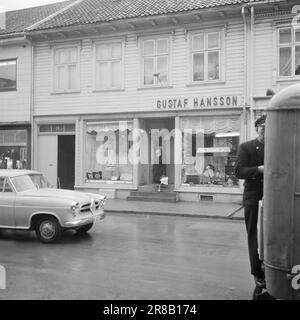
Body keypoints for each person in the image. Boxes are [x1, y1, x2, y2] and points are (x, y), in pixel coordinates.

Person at [235, 114, 274, 300]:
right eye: (263, 127)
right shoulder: (246, 147)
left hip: (274, 199)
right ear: (257, 128)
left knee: (273, 237)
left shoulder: (277, 146)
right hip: (253, 198)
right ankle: (258, 277)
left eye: (269, 127)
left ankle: (273, 274)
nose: (266, 131)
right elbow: (239, 171)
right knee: (254, 237)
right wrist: (258, 170)